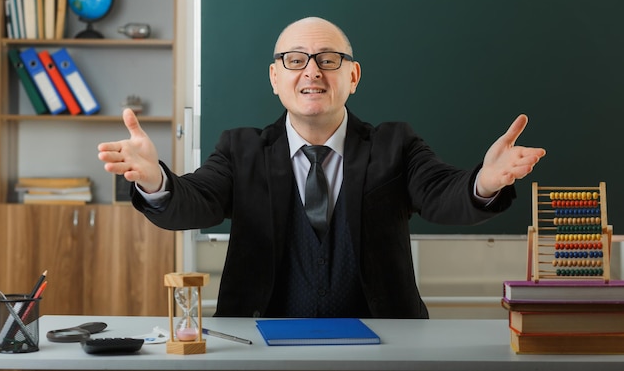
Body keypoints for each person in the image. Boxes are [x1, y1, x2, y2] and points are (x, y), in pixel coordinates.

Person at [98, 16, 546, 319]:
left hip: (384, 343)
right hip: (259, 342)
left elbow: (442, 194)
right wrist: (155, 178)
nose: (311, 71)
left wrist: (485, 181)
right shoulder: (241, 149)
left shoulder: (395, 144)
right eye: (295, 60)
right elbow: (195, 203)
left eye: (328, 60)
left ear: (352, 77)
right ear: (276, 78)